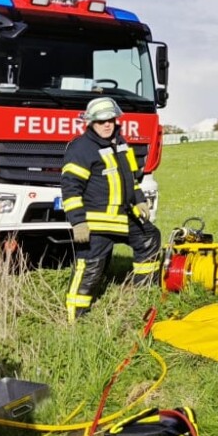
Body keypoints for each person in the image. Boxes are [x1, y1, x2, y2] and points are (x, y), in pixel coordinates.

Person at [61, 96, 160, 321]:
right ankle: (75, 317)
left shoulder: (120, 142)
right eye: (101, 121)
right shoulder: (81, 148)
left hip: (123, 215)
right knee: (91, 267)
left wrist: (139, 199)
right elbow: (70, 188)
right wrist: (78, 221)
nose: (107, 125)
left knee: (149, 236)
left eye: (110, 120)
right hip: (96, 221)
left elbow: (131, 178)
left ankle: (143, 294)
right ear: (90, 122)